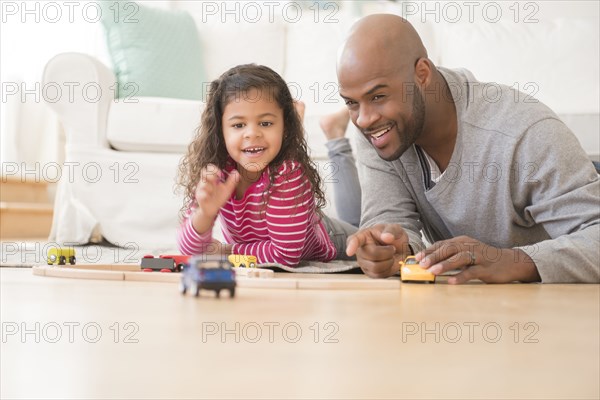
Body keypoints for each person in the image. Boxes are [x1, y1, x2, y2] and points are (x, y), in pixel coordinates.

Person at [335, 14, 599, 284]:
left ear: (422, 74)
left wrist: (513, 261)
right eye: (351, 103)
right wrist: (392, 249)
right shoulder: (380, 129)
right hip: (466, 305)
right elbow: (390, 221)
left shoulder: (524, 132)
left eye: (378, 96)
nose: (364, 119)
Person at [176, 64, 357, 266]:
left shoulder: (287, 174)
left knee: (363, 231)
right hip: (289, 229)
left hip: (330, 237)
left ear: (286, 128)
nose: (252, 133)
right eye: (238, 125)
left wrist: (228, 251)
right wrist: (205, 215)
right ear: (220, 130)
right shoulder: (216, 170)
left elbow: (285, 256)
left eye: (265, 123)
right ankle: (333, 133)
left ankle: (336, 138)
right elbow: (191, 251)